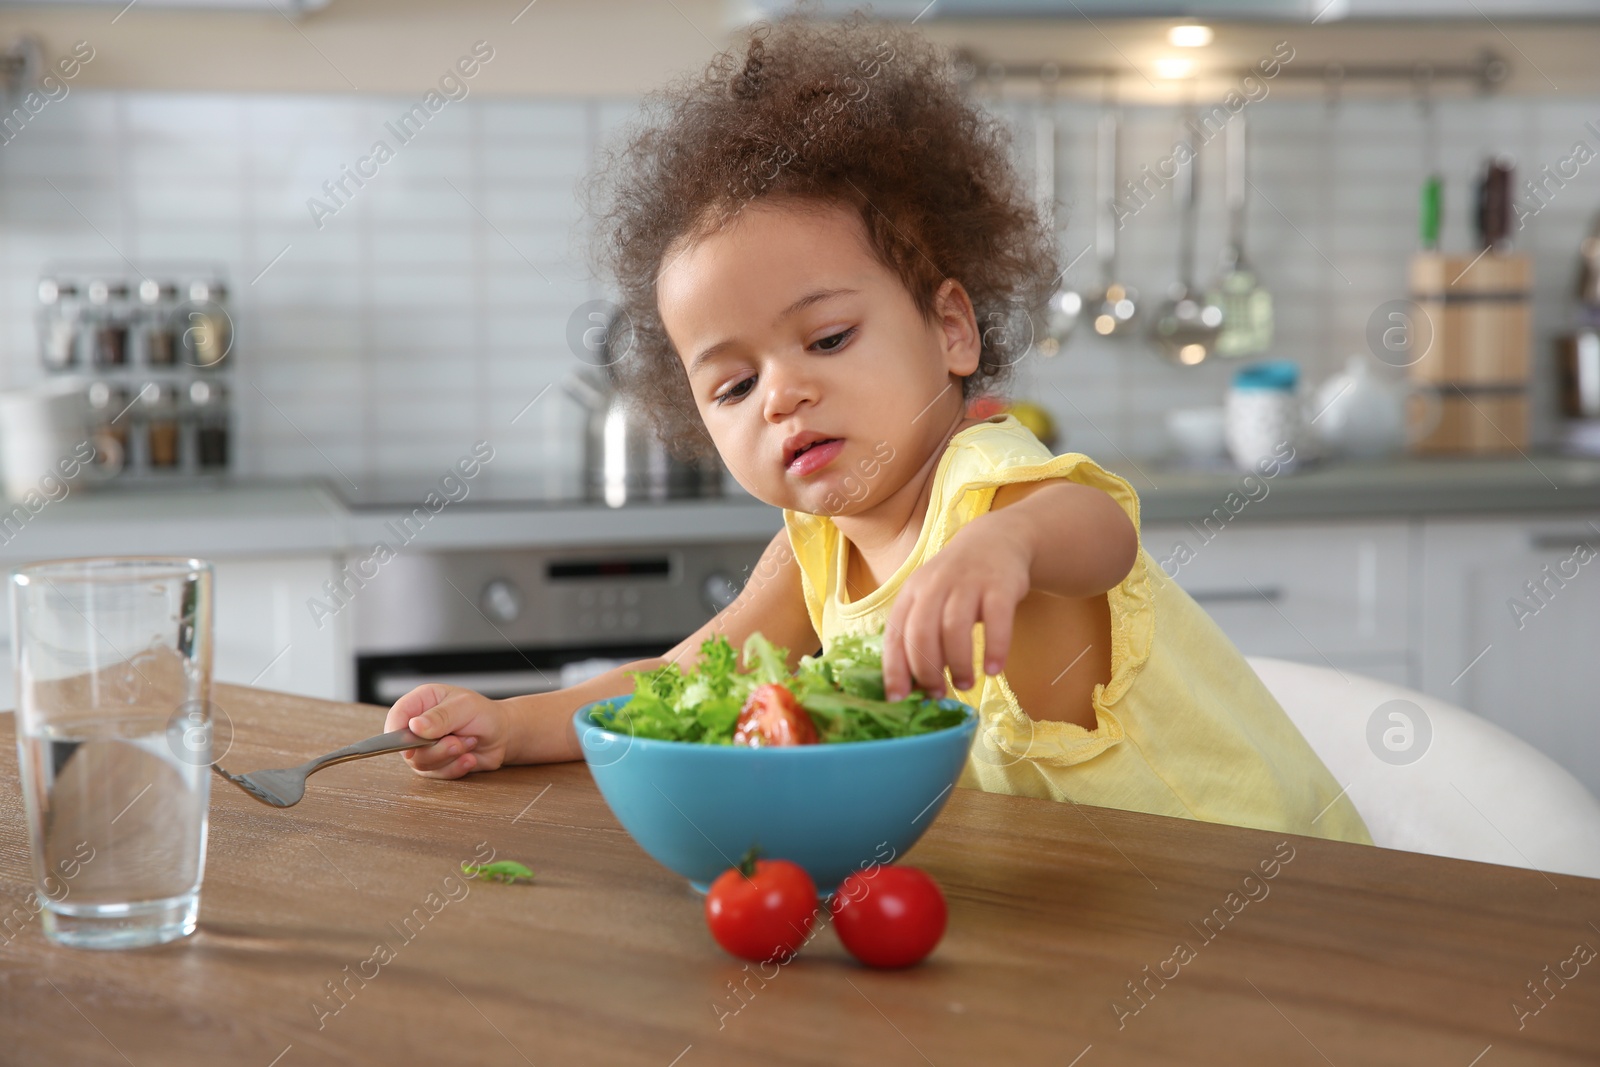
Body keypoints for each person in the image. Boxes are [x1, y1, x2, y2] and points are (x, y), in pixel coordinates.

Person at [384, 10, 1371, 845]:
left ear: (948, 327)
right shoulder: (815, 545)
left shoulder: (984, 480)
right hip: (1084, 919)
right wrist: (510, 724)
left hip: (1266, 890)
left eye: (827, 337)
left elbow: (1097, 531)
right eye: (732, 386)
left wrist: (1002, 547)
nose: (780, 395)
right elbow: (688, 679)